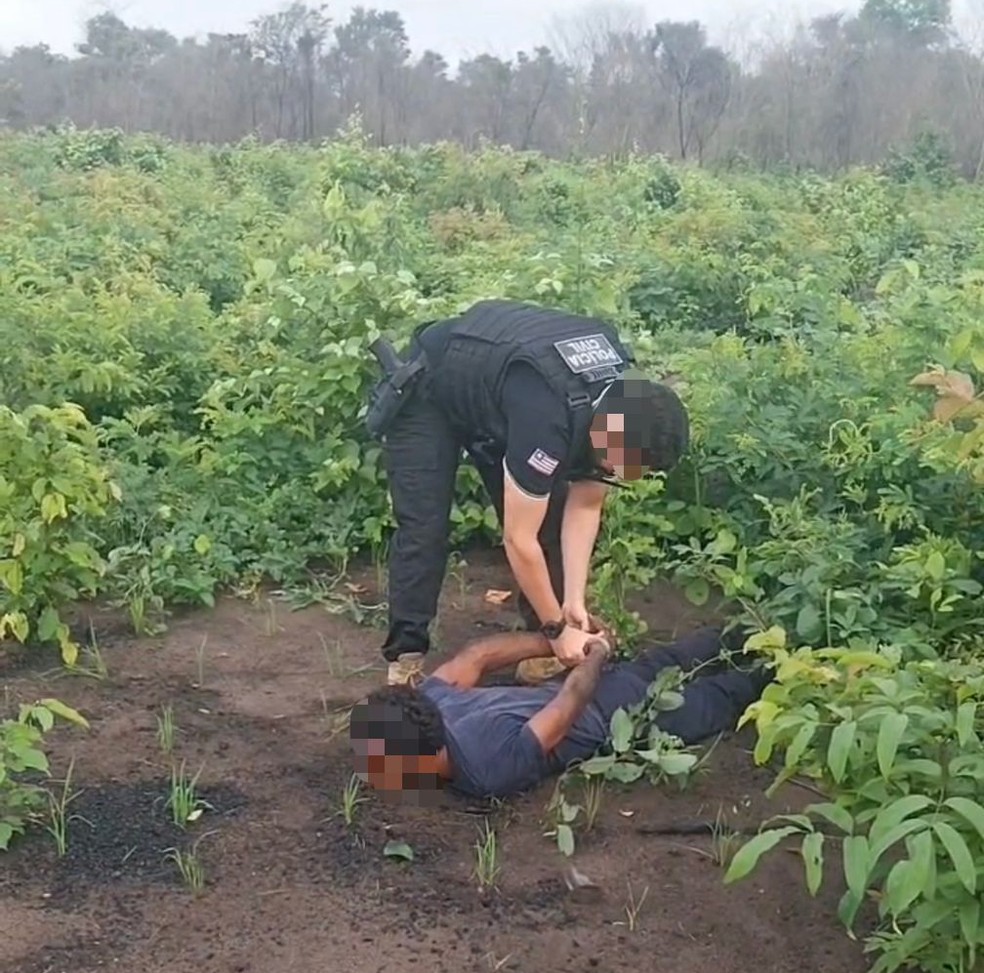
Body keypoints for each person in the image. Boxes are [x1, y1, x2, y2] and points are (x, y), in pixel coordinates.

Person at [365, 299, 690, 686]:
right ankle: (406, 659)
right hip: (431, 388)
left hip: (498, 401)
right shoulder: (550, 417)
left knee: (548, 521)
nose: (625, 476)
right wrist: (558, 627)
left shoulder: (623, 402)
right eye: (625, 466)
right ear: (610, 433)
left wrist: (573, 602)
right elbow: (518, 540)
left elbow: (586, 505)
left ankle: (541, 649)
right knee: (425, 529)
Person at [348, 624, 771, 801]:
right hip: (588, 688)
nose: (368, 771)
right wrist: (556, 641)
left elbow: (568, 708)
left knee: (724, 697)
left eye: (378, 763)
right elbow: (477, 657)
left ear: (419, 760)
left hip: (618, 715)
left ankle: (777, 662)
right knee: (673, 658)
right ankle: (760, 628)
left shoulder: (483, 769)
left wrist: (593, 651)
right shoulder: (429, 703)